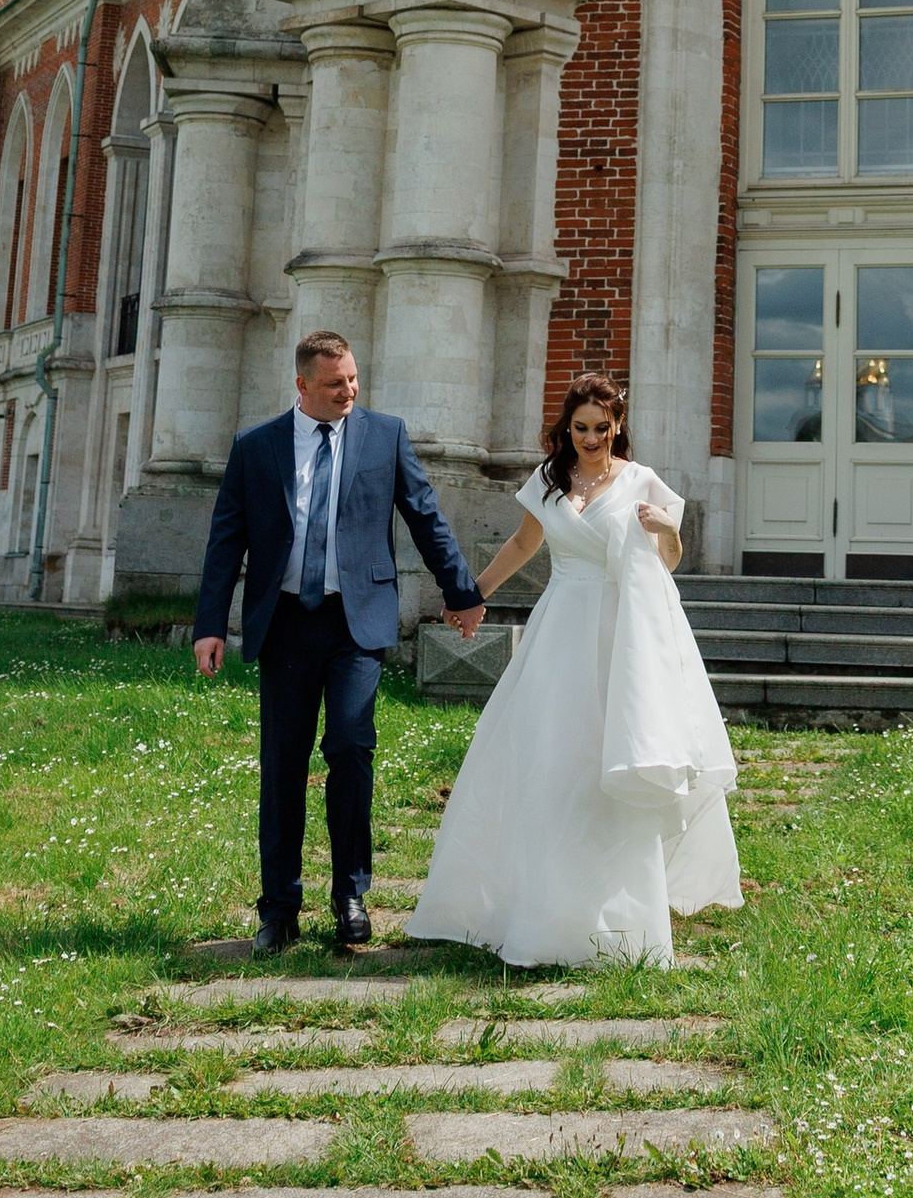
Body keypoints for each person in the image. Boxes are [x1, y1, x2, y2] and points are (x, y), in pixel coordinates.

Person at [407, 368, 742, 971]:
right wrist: (471, 595)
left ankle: (621, 925)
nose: (590, 438)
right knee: (552, 763)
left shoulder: (641, 482)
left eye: (602, 428)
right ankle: (540, 913)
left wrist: (670, 529)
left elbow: (667, 562)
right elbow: (522, 545)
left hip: (622, 637)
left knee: (609, 765)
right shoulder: (547, 480)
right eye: (580, 428)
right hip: (560, 631)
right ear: (566, 428)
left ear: (618, 426)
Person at [193, 327, 481, 951]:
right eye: (334, 383)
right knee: (283, 764)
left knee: (351, 748)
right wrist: (211, 624)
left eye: (353, 378)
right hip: (287, 623)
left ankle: (350, 894)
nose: (348, 391)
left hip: (357, 622)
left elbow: (424, 514)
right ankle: (279, 908)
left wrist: (461, 593)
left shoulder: (385, 435)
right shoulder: (257, 446)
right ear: (302, 386)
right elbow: (226, 539)